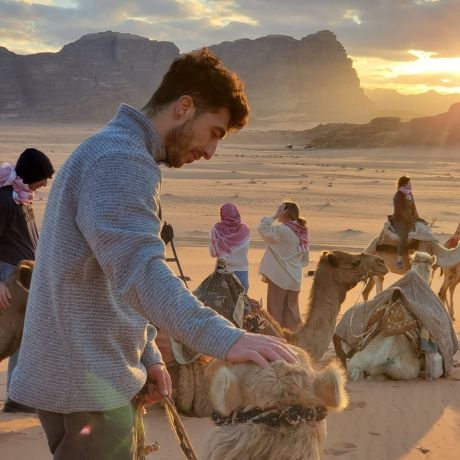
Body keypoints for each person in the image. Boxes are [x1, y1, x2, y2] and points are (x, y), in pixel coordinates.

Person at [9, 48, 297, 460]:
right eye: (214, 132)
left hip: (92, 374)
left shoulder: (116, 150)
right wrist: (225, 338)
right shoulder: (120, 160)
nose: (211, 151)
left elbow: (115, 274)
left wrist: (148, 358)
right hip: (91, 383)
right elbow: (140, 270)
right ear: (184, 107)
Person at [0, 148, 54, 413]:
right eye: (42, 177)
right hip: (10, 280)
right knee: (17, 337)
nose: (44, 183)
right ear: (31, 173)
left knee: (24, 337)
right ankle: (18, 396)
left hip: (25, 277)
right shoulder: (5, 200)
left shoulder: (21, 197)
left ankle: (20, 394)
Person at [258, 200, 309, 331]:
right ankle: (296, 339)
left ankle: (279, 339)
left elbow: (262, 229)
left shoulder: (283, 230)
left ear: (285, 212)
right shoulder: (301, 231)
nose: (279, 212)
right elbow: (304, 259)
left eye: (281, 210)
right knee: (292, 312)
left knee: (275, 311)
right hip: (295, 279)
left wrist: (274, 216)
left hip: (279, 278)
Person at [209, 202, 250, 292]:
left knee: (222, 304)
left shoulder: (217, 229)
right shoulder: (245, 230)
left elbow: (213, 253)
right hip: (242, 271)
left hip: (222, 272)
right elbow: (245, 251)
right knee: (241, 303)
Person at [392, 175, 419, 269]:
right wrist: (409, 221)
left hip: (410, 220)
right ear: (404, 184)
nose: (411, 185)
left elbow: (414, 209)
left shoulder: (409, 194)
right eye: (409, 183)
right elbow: (400, 211)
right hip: (399, 220)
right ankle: (399, 261)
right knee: (404, 237)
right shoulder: (398, 195)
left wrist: (418, 219)